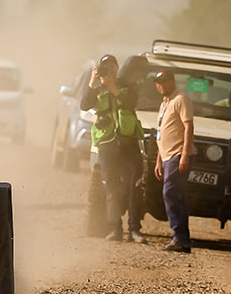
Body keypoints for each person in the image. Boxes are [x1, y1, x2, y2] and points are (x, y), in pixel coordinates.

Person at [81, 54, 144, 243]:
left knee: (134, 186)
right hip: (108, 143)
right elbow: (84, 105)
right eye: (105, 66)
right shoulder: (97, 88)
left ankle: (135, 229)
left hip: (128, 141)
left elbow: (130, 102)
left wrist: (112, 86)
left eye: (111, 66)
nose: (109, 69)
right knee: (111, 187)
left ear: (117, 67)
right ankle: (115, 228)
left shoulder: (126, 84)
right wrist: (93, 82)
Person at [153, 71, 194, 254]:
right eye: (158, 82)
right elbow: (162, 133)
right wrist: (158, 160)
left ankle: (178, 235)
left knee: (170, 193)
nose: (161, 85)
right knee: (178, 197)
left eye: (164, 81)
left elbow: (188, 127)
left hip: (177, 155)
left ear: (172, 82)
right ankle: (182, 239)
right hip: (167, 156)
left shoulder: (181, 99)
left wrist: (184, 154)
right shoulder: (164, 103)